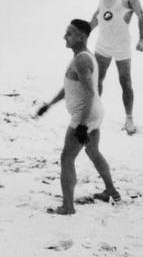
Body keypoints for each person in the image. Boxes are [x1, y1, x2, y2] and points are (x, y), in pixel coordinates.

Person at [37, 19, 120, 215]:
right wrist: (49, 104)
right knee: (93, 152)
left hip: (86, 115)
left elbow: (90, 92)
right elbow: (69, 87)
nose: (65, 36)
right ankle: (110, 189)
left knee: (67, 158)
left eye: (69, 33)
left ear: (81, 37)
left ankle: (68, 206)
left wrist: (82, 125)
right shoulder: (80, 57)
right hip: (95, 113)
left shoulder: (81, 60)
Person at [88, 0, 143, 134]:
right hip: (103, 45)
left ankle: (129, 119)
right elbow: (98, 14)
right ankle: (93, 115)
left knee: (125, 81)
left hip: (121, 45)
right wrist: (86, 32)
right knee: (97, 79)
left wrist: (142, 39)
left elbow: (141, 15)